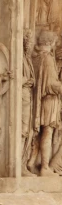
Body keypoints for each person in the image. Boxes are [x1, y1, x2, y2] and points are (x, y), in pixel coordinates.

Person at [32, 30, 62, 176]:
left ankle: (33, 163)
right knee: (47, 132)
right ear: (50, 43)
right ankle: (44, 167)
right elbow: (50, 84)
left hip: (41, 100)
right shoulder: (47, 59)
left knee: (41, 133)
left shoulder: (37, 57)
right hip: (49, 101)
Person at [21, 29, 36, 175]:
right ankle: (18, 164)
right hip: (21, 98)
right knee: (22, 131)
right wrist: (26, 80)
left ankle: (22, 163)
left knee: (27, 131)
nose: (30, 44)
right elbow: (14, 77)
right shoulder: (19, 58)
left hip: (27, 97)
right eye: (28, 41)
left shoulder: (27, 58)